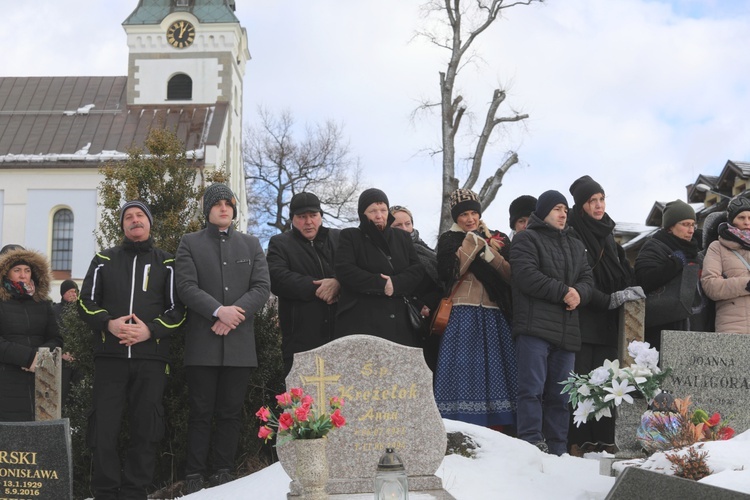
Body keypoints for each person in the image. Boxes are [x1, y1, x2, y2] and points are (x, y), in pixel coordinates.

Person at [78, 200, 185, 500]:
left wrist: (150, 330)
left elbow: (178, 311)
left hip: (151, 359)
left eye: (140, 216)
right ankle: (106, 492)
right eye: (129, 217)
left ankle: (135, 492)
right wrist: (108, 324)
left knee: (146, 428)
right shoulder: (103, 259)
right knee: (104, 428)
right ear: (122, 225)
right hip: (110, 358)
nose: (135, 220)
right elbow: (86, 302)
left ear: (150, 223)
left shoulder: (167, 263)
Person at [175, 183, 270, 494]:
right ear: (208, 210)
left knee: (230, 412)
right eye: (218, 204)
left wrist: (233, 315)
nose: (224, 208)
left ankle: (224, 472)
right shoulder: (190, 243)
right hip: (202, 345)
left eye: (229, 204)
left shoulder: (252, 244)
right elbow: (186, 288)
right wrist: (217, 311)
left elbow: (260, 288)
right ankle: (194, 473)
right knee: (201, 411)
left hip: (239, 347)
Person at [511, 190, 594, 455]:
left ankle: (558, 447)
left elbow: (588, 279)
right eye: (557, 208)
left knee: (561, 397)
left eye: (565, 210)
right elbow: (526, 276)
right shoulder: (526, 239)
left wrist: (579, 293)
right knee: (531, 391)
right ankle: (531, 443)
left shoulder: (575, 244)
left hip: (566, 331)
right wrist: (563, 292)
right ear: (544, 211)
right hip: (534, 329)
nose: (562, 214)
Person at [566, 175, 644, 454]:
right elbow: (579, 278)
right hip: (584, 319)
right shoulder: (573, 232)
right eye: (592, 201)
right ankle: (579, 440)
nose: (599, 206)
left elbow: (622, 270)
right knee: (584, 383)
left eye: (601, 199)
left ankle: (605, 439)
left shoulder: (609, 234)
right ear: (581, 205)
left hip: (610, 322)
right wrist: (609, 299)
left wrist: (630, 290)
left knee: (608, 382)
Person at [433, 188, 517, 429]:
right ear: (455, 217)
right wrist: (471, 245)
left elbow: (511, 276)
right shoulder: (449, 240)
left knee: (496, 367)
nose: (470, 219)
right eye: (463, 215)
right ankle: (459, 421)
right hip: (462, 311)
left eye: (473, 213)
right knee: (464, 367)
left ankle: (500, 424)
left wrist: (490, 253)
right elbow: (448, 275)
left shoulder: (499, 237)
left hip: (494, 310)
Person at [334, 188, 423, 347]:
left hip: (399, 322)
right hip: (362, 321)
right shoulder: (350, 236)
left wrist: (395, 283)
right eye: (372, 211)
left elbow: (416, 270)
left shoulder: (402, 237)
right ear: (362, 214)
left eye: (383, 210)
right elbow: (345, 270)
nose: (379, 216)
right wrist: (381, 284)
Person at [267, 192, 340, 375]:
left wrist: (338, 284)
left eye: (313, 215)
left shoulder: (339, 239)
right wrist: (321, 288)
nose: (308, 222)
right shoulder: (280, 243)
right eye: (302, 217)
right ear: (293, 219)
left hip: (342, 337)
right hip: (301, 340)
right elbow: (278, 278)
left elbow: (355, 271)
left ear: (320, 216)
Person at [0, 246, 63, 422]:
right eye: (17, 270)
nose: (23, 275)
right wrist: (27, 358)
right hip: (6, 380)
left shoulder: (42, 304)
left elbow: (56, 338)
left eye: (27, 270)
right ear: (5, 273)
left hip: (41, 380)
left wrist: (40, 357)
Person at [635, 200, 705, 351]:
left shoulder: (696, 252)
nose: (691, 230)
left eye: (693, 224)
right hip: (663, 329)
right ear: (670, 227)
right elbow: (644, 280)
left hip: (694, 325)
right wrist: (675, 263)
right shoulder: (654, 247)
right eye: (685, 224)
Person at [390, 205, 443, 372]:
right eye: (398, 225)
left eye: (408, 223)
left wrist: (429, 302)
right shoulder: (385, 252)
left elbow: (442, 282)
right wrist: (417, 303)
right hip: (403, 320)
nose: (405, 229)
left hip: (434, 320)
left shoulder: (426, 250)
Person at [701, 196, 750, 334]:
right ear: (731, 220)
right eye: (741, 217)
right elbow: (710, 285)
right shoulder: (717, 247)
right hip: (732, 328)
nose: (747, 222)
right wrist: (745, 285)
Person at [52, 279, 80, 408]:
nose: (73, 294)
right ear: (63, 293)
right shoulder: (54, 311)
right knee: (61, 394)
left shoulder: (82, 311)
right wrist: (61, 352)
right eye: (70, 291)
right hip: (61, 360)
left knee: (77, 394)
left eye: (75, 292)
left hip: (79, 360)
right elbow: (52, 335)